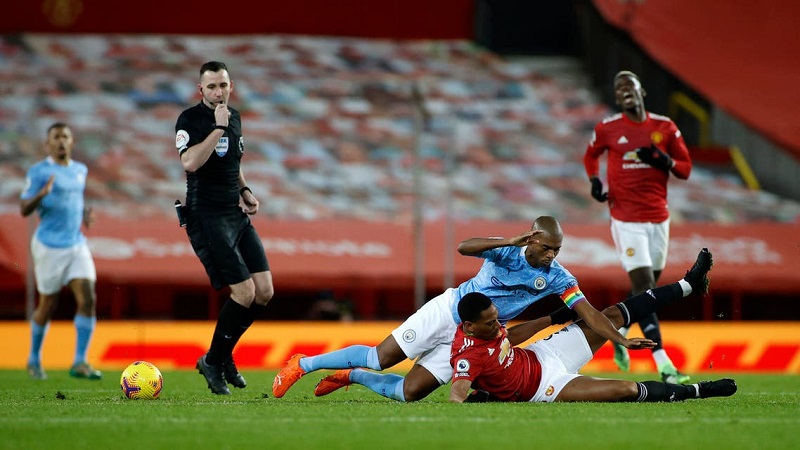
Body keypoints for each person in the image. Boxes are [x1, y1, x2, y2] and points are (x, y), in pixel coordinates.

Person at [273, 216, 647, 402]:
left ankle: (351, 376)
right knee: (380, 358)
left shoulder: (558, 277)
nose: (552, 255)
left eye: (557, 250)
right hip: (449, 312)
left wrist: (620, 339)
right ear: (532, 239)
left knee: (409, 392)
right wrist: (508, 240)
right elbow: (464, 247)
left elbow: (589, 313)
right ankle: (303, 364)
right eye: (547, 248)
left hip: (475, 335)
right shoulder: (507, 250)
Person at [448, 248, 736, 404]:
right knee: (625, 390)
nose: (496, 324)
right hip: (546, 386)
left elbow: (509, 337)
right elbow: (457, 394)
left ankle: (688, 285)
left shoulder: (486, 325)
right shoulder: (468, 355)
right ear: (470, 327)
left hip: (544, 354)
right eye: (491, 323)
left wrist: (553, 319)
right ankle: (698, 391)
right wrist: (465, 401)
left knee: (610, 315)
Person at [583, 70, 693, 383]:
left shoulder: (665, 127)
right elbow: (590, 156)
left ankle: (619, 330)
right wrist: (594, 180)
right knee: (645, 287)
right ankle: (665, 366)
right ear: (617, 99)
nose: (624, 91)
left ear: (641, 91)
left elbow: (685, 168)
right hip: (625, 218)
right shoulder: (608, 128)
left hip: (658, 218)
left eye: (629, 86)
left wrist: (663, 161)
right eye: (618, 89)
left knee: (647, 291)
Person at [175, 61, 274, 395]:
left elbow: (234, 160)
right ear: (200, 89)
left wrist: (245, 190)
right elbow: (189, 162)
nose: (219, 92)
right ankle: (214, 361)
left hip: (234, 212)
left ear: (231, 86)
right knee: (244, 293)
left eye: (223, 85)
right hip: (206, 215)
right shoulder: (190, 119)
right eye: (212, 86)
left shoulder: (235, 116)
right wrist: (217, 129)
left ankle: (221, 354)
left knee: (265, 291)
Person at [20, 122, 102, 380]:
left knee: (88, 298)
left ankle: (80, 361)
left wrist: (84, 214)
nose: (61, 141)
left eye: (65, 136)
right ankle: (34, 359)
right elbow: (24, 209)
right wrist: (41, 195)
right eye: (56, 137)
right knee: (48, 304)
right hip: (48, 246)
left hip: (76, 244)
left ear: (72, 142)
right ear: (48, 144)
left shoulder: (80, 170)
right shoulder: (39, 172)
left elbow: (74, 199)